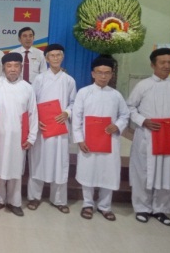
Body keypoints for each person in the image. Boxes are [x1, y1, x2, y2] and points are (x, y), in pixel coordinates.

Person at [127, 48, 170, 227]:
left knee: (167, 172)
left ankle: (161, 209)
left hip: (169, 137)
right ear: (153, 64)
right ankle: (142, 208)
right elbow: (130, 107)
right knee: (143, 172)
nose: (166, 66)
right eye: (162, 62)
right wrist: (143, 120)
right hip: (147, 136)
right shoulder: (143, 85)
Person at [72, 57, 129, 221]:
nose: (103, 76)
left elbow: (125, 115)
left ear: (111, 75)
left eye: (107, 73)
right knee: (88, 171)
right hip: (88, 141)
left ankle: (105, 206)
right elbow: (77, 117)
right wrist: (79, 139)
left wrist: (117, 125)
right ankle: (87, 204)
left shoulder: (116, 95)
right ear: (93, 73)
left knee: (107, 172)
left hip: (109, 141)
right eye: (99, 72)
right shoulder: (84, 92)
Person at [27, 44, 76, 214]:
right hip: (43, 127)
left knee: (60, 162)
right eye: (52, 56)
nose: (55, 58)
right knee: (38, 161)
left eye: (58, 55)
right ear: (46, 59)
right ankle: (34, 197)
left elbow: (73, 102)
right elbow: (32, 102)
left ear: (62, 57)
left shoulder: (69, 80)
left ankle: (59, 200)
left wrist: (67, 112)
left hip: (60, 127)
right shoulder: (40, 79)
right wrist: (37, 119)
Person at [0, 52, 38, 217]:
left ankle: (14, 202)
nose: (13, 69)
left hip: (18, 135)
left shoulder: (27, 87)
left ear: (21, 68)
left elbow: (33, 114)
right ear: (3, 68)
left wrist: (31, 137)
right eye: (9, 66)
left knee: (15, 169)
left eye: (16, 66)